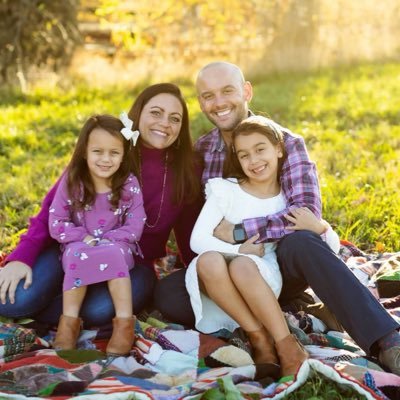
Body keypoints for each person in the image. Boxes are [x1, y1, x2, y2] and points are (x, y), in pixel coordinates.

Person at [154, 61, 400, 375]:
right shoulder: (202, 152)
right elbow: (201, 224)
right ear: (201, 103)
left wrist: (239, 232)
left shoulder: (286, 144)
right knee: (169, 296)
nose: (218, 103)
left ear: (246, 91)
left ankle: (386, 341)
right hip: (227, 268)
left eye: (227, 91)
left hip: (279, 263)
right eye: (208, 96)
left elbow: (303, 216)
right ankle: (273, 320)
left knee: (303, 242)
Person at [0, 83, 203, 331]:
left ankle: (53, 312)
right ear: (138, 113)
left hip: (131, 262)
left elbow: (189, 230)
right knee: (14, 301)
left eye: (175, 118)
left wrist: (198, 273)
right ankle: (47, 302)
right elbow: (51, 210)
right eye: (156, 113)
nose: (165, 123)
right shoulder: (109, 149)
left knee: (99, 311)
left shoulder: (187, 168)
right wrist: (21, 257)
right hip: (73, 246)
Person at [186, 116, 341, 377]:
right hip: (215, 281)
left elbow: (329, 247)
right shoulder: (225, 190)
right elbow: (197, 240)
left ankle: (286, 344)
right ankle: (258, 337)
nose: (254, 161)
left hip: (259, 273)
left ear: (279, 150)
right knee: (209, 260)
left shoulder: (287, 200)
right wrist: (239, 250)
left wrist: (322, 228)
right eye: (245, 155)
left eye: (261, 150)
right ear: (237, 159)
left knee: (243, 267)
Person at [49, 114, 146, 355]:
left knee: (112, 252)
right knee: (75, 253)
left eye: (114, 152)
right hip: (79, 243)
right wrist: (82, 237)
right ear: (84, 151)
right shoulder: (74, 180)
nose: (105, 159)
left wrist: (107, 240)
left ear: (124, 154)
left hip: (117, 246)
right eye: (98, 151)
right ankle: (68, 324)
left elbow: (135, 225)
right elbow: (56, 221)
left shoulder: (128, 184)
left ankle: (124, 325)